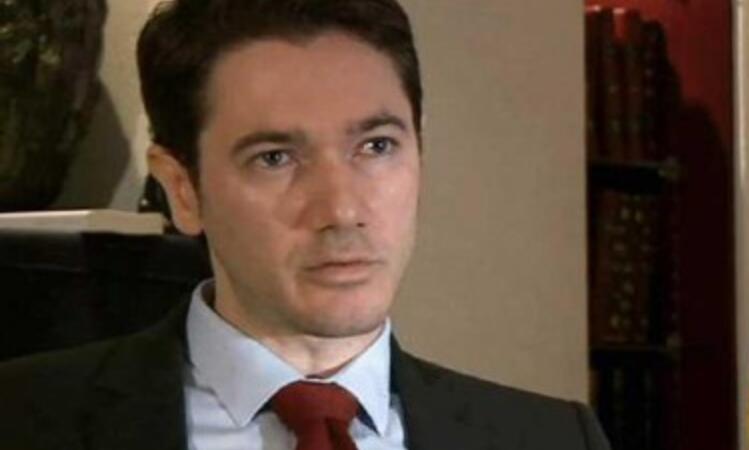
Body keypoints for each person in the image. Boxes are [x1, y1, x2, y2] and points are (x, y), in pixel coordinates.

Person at [0, 0, 611, 449]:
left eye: (376, 147)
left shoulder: (552, 438)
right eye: (275, 158)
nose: (341, 210)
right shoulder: (24, 420)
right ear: (183, 189)